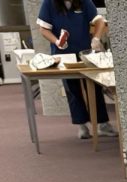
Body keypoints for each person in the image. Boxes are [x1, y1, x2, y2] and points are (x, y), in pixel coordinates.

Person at [36, 0, 115, 140]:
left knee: (95, 87)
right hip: (63, 55)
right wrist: (56, 42)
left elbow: (100, 21)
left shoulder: (84, 2)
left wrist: (96, 38)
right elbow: (43, 29)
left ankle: (103, 124)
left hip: (85, 53)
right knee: (73, 90)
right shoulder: (49, 3)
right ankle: (82, 125)